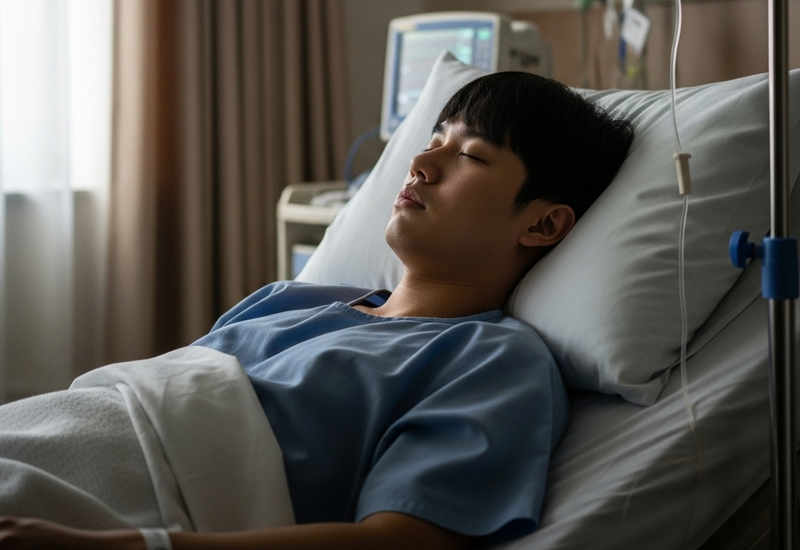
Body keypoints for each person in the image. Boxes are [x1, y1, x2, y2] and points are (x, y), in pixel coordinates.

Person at [0, 72, 634, 550]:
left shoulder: (492, 360)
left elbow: (403, 540)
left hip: (114, 503)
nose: (420, 162)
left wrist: (138, 547)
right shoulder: (288, 299)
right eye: (435, 139)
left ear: (544, 223)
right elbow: (152, 401)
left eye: (468, 155)